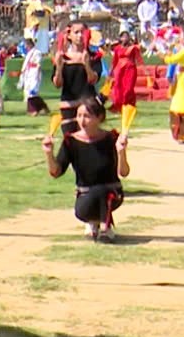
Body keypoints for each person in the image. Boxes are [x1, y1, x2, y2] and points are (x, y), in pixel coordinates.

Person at [43, 95, 128, 242]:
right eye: (79, 115)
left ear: (99, 117)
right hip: (85, 196)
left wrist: (121, 152)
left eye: (87, 116)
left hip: (112, 193)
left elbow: (124, 173)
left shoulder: (111, 138)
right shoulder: (71, 141)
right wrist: (49, 154)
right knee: (92, 196)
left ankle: (104, 227)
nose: (82, 121)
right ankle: (95, 221)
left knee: (102, 190)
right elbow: (56, 172)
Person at [52, 22, 99, 137]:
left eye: (82, 32)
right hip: (68, 105)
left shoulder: (94, 56)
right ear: (69, 35)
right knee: (70, 142)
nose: (80, 36)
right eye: (76, 32)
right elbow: (58, 84)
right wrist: (59, 67)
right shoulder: (62, 57)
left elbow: (93, 80)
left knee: (88, 141)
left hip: (87, 105)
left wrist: (86, 64)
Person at [108, 30, 141, 116]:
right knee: (118, 87)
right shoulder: (117, 48)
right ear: (120, 38)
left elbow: (139, 57)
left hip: (130, 69)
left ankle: (128, 105)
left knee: (128, 88)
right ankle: (118, 106)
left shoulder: (133, 48)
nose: (125, 38)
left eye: (126, 36)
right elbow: (114, 61)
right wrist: (111, 71)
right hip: (119, 69)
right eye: (123, 36)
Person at [19, 38, 50, 116]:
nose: (25, 47)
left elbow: (38, 64)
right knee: (28, 92)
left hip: (34, 73)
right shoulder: (29, 53)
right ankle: (42, 107)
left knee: (32, 92)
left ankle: (34, 109)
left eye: (26, 45)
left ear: (30, 44)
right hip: (28, 73)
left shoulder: (37, 52)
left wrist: (36, 74)